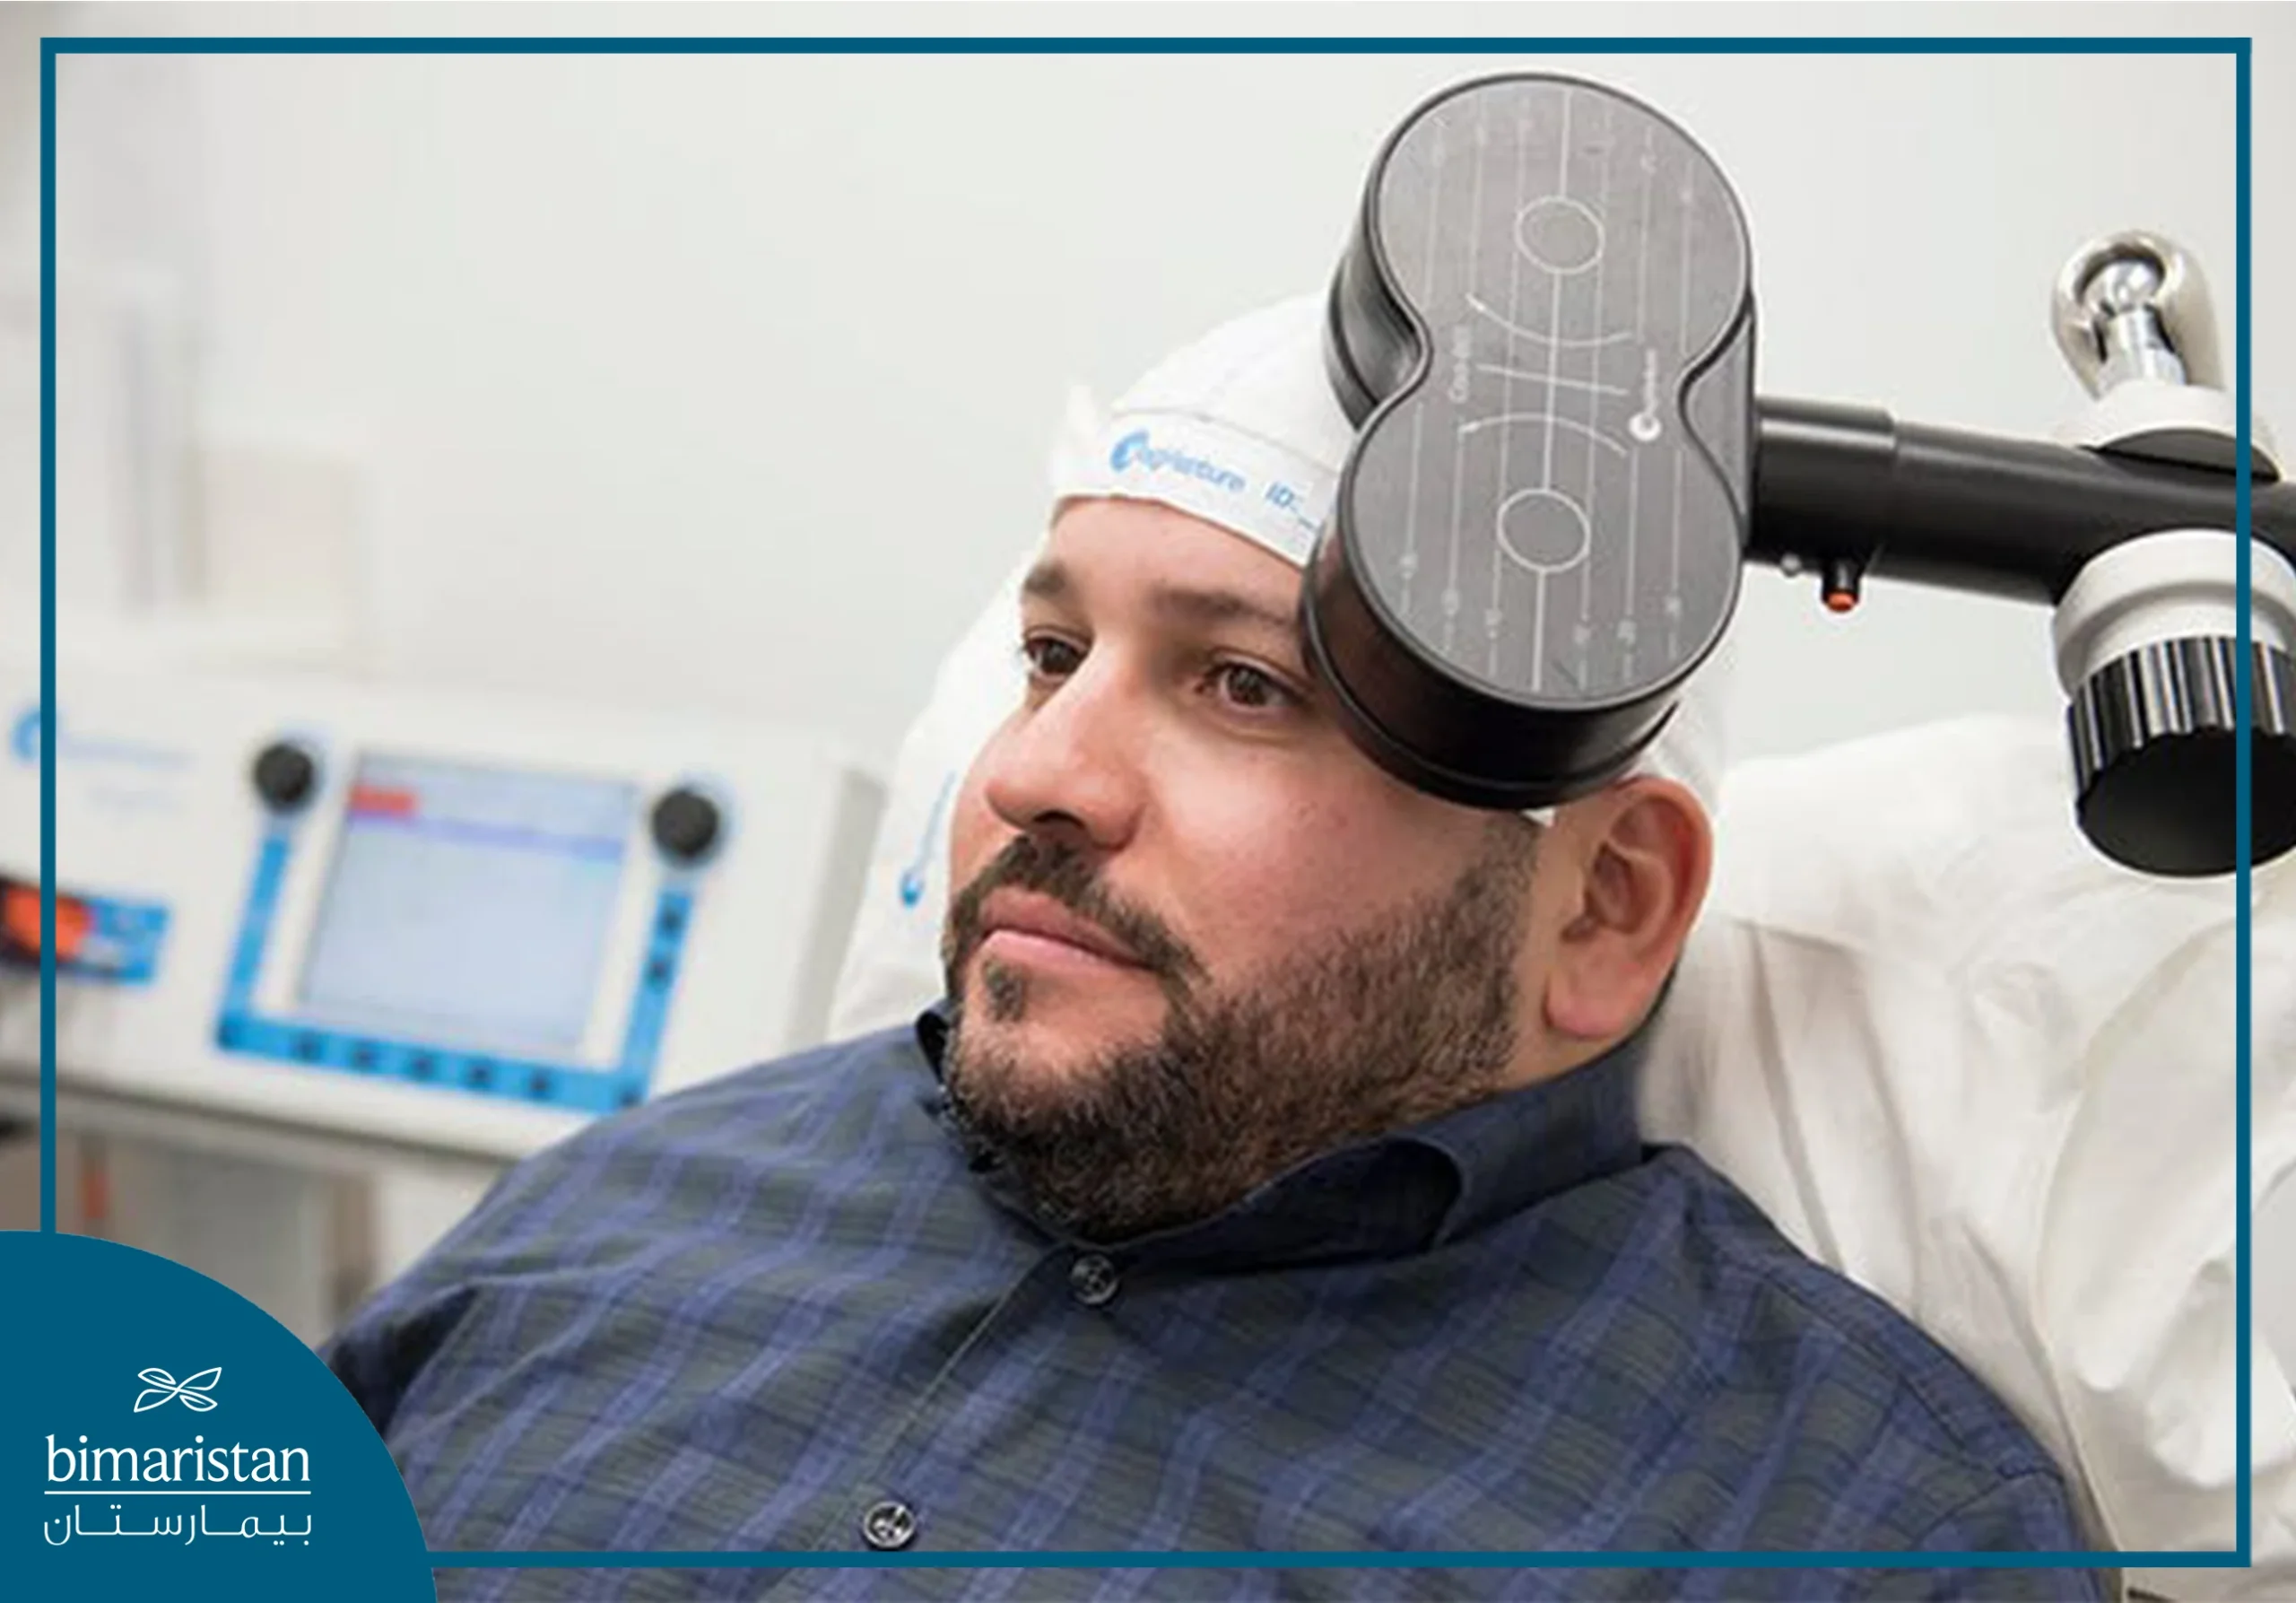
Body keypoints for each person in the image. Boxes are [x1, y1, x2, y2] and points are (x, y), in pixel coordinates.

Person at [326, 297, 2109, 1601]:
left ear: (1599, 901)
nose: (1030, 770)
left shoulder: (1835, 1527)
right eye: (1046, 656)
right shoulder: (586, 1230)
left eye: (1241, 683)